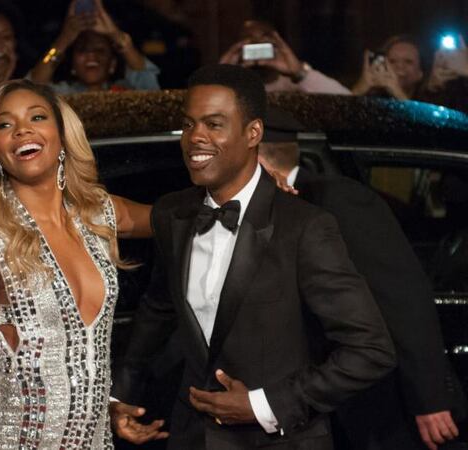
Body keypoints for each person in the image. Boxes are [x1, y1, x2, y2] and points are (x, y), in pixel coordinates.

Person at [114, 64, 396, 449]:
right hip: (190, 437)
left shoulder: (304, 227)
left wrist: (265, 405)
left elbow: (371, 350)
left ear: (253, 133)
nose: (195, 137)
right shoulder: (174, 214)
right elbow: (159, 309)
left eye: (214, 125)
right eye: (189, 124)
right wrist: (123, 394)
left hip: (279, 440)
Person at [0, 79, 166, 448]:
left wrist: (254, 182)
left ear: (63, 136)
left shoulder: (97, 214)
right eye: (4, 124)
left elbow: (181, 218)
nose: (22, 130)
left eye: (37, 116)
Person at [258, 108, 464, 450]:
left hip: (386, 404)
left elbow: (403, 295)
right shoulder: (269, 205)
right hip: (321, 400)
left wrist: (429, 397)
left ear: (260, 155)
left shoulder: (338, 199)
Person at [29, 0, 161, 94]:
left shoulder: (126, 94)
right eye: (83, 49)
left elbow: (149, 84)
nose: (91, 55)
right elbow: (32, 86)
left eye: (100, 50)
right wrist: (63, 41)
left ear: (112, 64)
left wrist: (115, 34)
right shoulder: (62, 95)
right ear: (73, 65)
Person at [219, 20, 351, 95]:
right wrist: (221, 75)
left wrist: (300, 73)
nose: (257, 43)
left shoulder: (293, 84)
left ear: (276, 45)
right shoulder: (232, 89)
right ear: (237, 48)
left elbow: (345, 101)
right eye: (249, 40)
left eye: (264, 39)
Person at [352, 35, 424, 100]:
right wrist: (359, 90)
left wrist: (398, 93)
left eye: (408, 61)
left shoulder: (430, 100)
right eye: (392, 61)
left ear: (420, 73)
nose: (399, 66)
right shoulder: (373, 99)